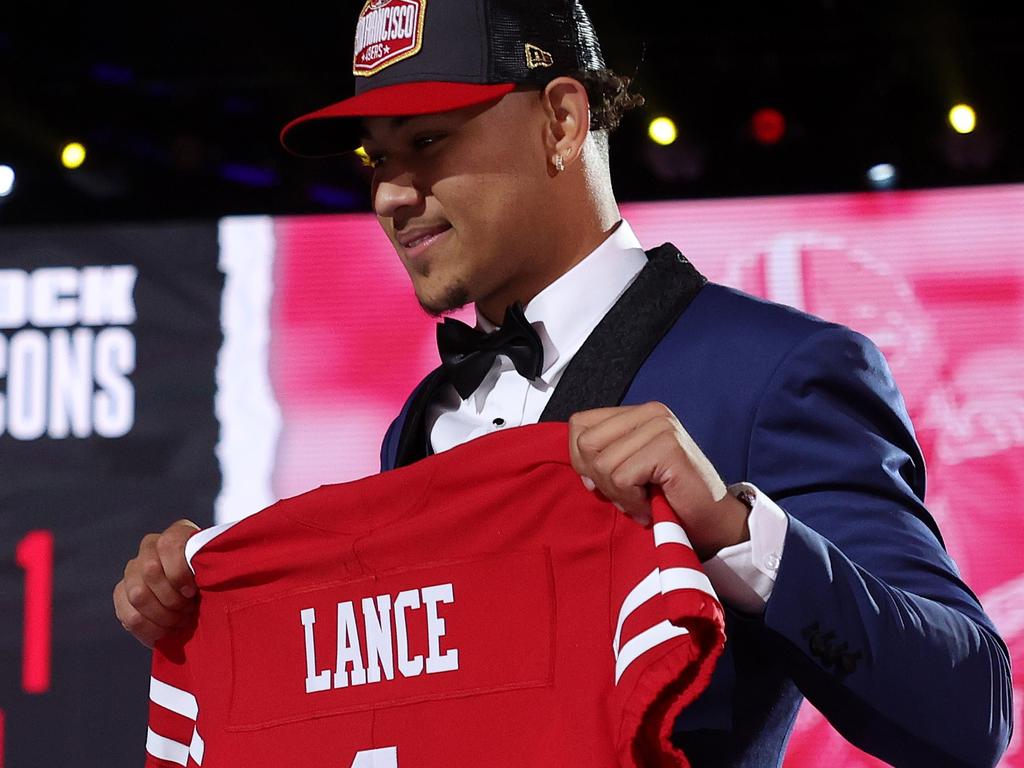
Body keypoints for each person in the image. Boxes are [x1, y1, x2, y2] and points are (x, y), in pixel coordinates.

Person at [113, 1, 1012, 765]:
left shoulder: (779, 371)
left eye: (425, 143)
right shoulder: (418, 423)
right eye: (375, 159)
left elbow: (970, 710)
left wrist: (734, 531)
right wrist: (209, 602)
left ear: (563, 122)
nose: (390, 195)